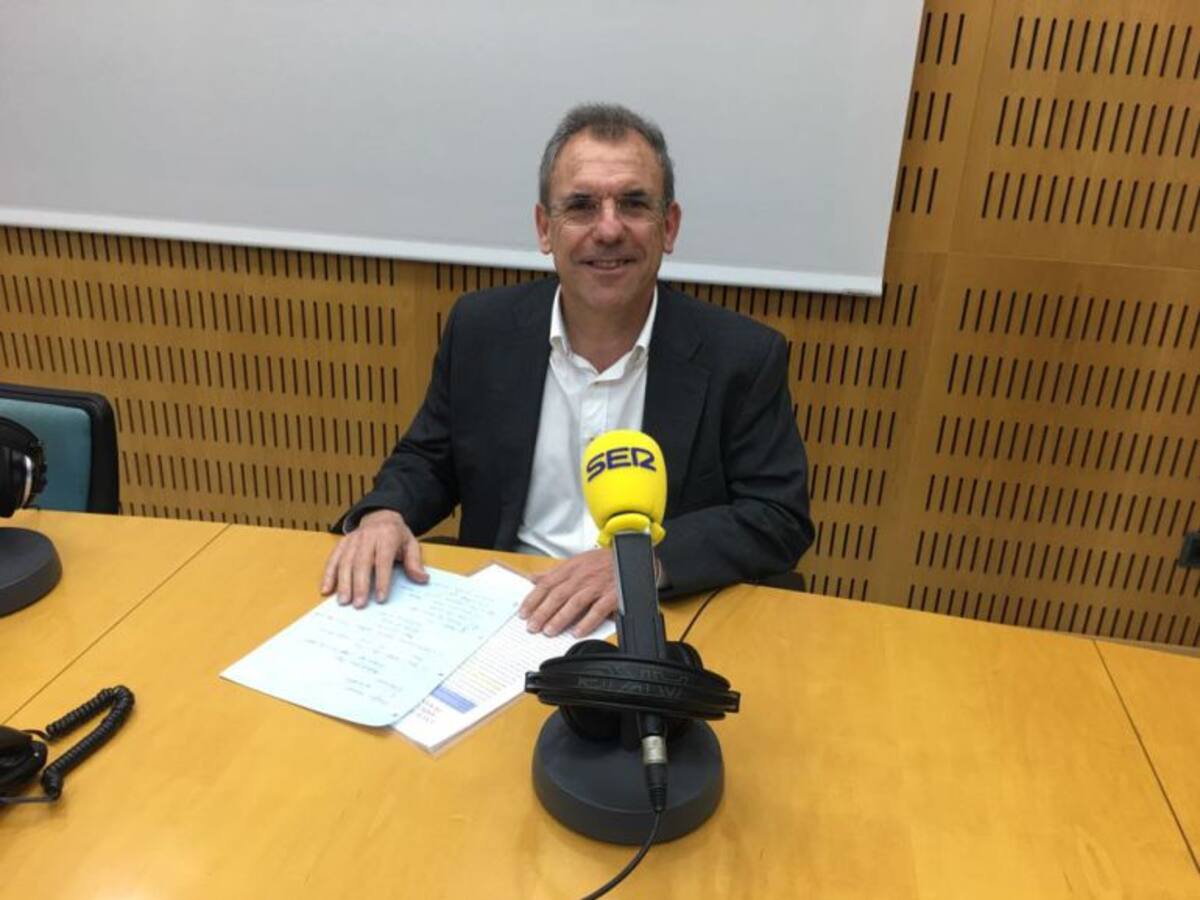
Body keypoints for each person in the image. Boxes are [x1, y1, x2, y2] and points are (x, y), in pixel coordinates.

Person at [321, 103, 813, 637]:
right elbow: (430, 457)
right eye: (581, 206)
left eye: (633, 204)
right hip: (510, 614)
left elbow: (777, 517)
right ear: (544, 229)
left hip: (660, 620)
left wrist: (637, 565)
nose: (608, 229)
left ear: (668, 227)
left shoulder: (741, 355)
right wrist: (385, 513)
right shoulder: (481, 328)